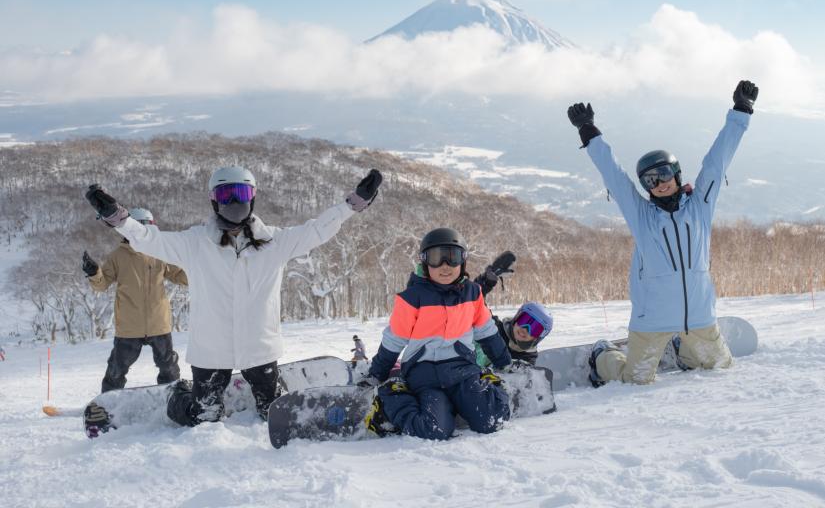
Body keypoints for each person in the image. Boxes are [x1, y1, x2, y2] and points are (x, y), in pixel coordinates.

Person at [85, 166, 382, 426]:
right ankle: (178, 395)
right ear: (215, 200)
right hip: (211, 350)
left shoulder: (275, 242)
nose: (235, 201)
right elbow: (148, 239)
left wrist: (352, 204)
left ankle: (267, 393)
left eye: (241, 193)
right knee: (204, 417)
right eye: (227, 195)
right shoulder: (195, 243)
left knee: (272, 412)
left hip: (260, 347)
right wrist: (118, 218)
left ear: (252, 197)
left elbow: (317, 230)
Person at [566, 79, 759, 386]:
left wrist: (741, 111)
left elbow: (717, 162)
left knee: (721, 367)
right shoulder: (642, 216)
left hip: (698, 315)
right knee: (635, 379)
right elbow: (614, 176)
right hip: (652, 317)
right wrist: (588, 130)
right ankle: (603, 355)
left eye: (664, 173)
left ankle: (685, 351)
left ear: (676, 172)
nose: (659, 183)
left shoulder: (700, 206)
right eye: (650, 180)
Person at [359, 228, 512, 440]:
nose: (445, 266)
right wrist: (378, 373)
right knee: (434, 430)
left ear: (463, 261)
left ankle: (485, 383)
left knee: (491, 420)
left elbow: (486, 332)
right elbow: (394, 341)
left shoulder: (472, 293)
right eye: (436, 258)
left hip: (463, 372)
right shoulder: (412, 298)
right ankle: (393, 395)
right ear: (424, 262)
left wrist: (504, 361)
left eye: (452, 257)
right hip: (425, 376)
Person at [83, 207, 188, 393]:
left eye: (148, 228)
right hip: (129, 327)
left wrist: (200, 270)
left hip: (159, 324)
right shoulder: (118, 256)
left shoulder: (160, 253)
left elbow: (180, 275)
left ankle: (173, 396)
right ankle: (108, 401)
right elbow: (102, 284)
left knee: (169, 367)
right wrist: (94, 272)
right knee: (117, 369)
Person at [471, 251, 554, 367]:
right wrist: (486, 281)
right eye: (524, 321)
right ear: (516, 318)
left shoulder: (527, 360)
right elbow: (473, 303)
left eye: (534, 328)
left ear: (539, 337)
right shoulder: (494, 328)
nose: (525, 329)